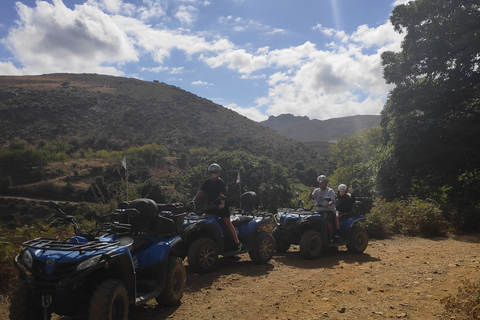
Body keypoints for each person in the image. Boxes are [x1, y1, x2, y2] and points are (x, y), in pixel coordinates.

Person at [192, 163, 242, 251]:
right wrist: (193, 200)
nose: (213, 174)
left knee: (227, 222)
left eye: (215, 172)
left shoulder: (220, 182)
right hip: (210, 206)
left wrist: (222, 204)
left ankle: (237, 242)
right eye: (211, 172)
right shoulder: (207, 182)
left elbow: (221, 194)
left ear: (218, 173)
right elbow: (200, 191)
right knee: (207, 222)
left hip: (221, 206)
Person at [309, 175, 336, 241]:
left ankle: (331, 236)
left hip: (329, 210)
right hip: (319, 210)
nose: (321, 184)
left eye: (323, 182)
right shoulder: (316, 190)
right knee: (310, 219)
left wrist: (328, 204)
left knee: (326, 219)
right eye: (320, 183)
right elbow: (311, 198)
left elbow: (332, 200)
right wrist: (311, 192)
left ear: (326, 183)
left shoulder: (330, 191)